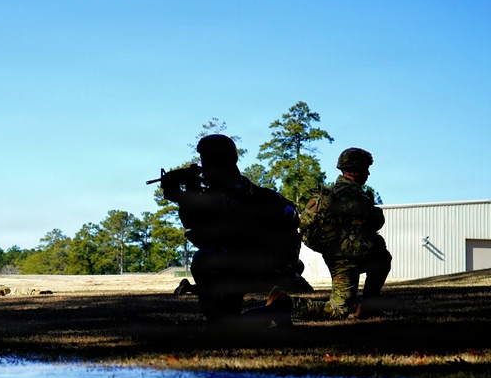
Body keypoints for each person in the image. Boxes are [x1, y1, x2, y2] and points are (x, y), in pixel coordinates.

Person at [160, 134, 305, 327]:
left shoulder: (226, 194)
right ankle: (272, 310)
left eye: (205, 160)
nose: (202, 166)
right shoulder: (250, 190)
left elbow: (194, 220)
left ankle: (271, 311)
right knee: (225, 319)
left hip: (243, 265)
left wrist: (184, 194)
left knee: (204, 261)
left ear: (214, 161)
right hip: (254, 264)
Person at [285, 148, 391, 320]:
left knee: (381, 258)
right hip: (349, 257)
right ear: (356, 170)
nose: (368, 173)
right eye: (365, 169)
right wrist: (377, 213)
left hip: (338, 256)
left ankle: (367, 308)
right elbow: (373, 222)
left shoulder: (334, 191)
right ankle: (284, 304)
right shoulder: (353, 193)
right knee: (338, 311)